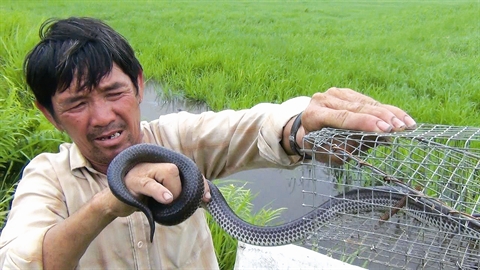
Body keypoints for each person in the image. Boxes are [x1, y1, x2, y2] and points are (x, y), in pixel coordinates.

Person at [0, 17, 417, 269]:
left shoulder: (177, 140)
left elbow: (250, 129)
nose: (103, 116)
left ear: (140, 84)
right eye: (76, 103)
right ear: (47, 113)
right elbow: (24, 262)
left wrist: (302, 128)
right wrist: (111, 201)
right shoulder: (47, 179)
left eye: (113, 93)